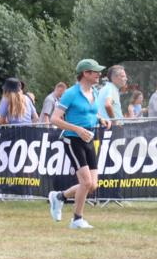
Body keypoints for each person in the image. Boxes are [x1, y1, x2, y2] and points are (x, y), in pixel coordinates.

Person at [47, 59, 112, 229]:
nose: (99, 74)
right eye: (96, 72)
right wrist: (77, 129)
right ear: (85, 73)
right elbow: (54, 119)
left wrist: (101, 118)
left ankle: (59, 197)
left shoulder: (95, 92)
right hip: (73, 139)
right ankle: (77, 219)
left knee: (92, 185)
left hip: (88, 138)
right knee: (86, 182)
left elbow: (91, 112)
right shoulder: (71, 93)